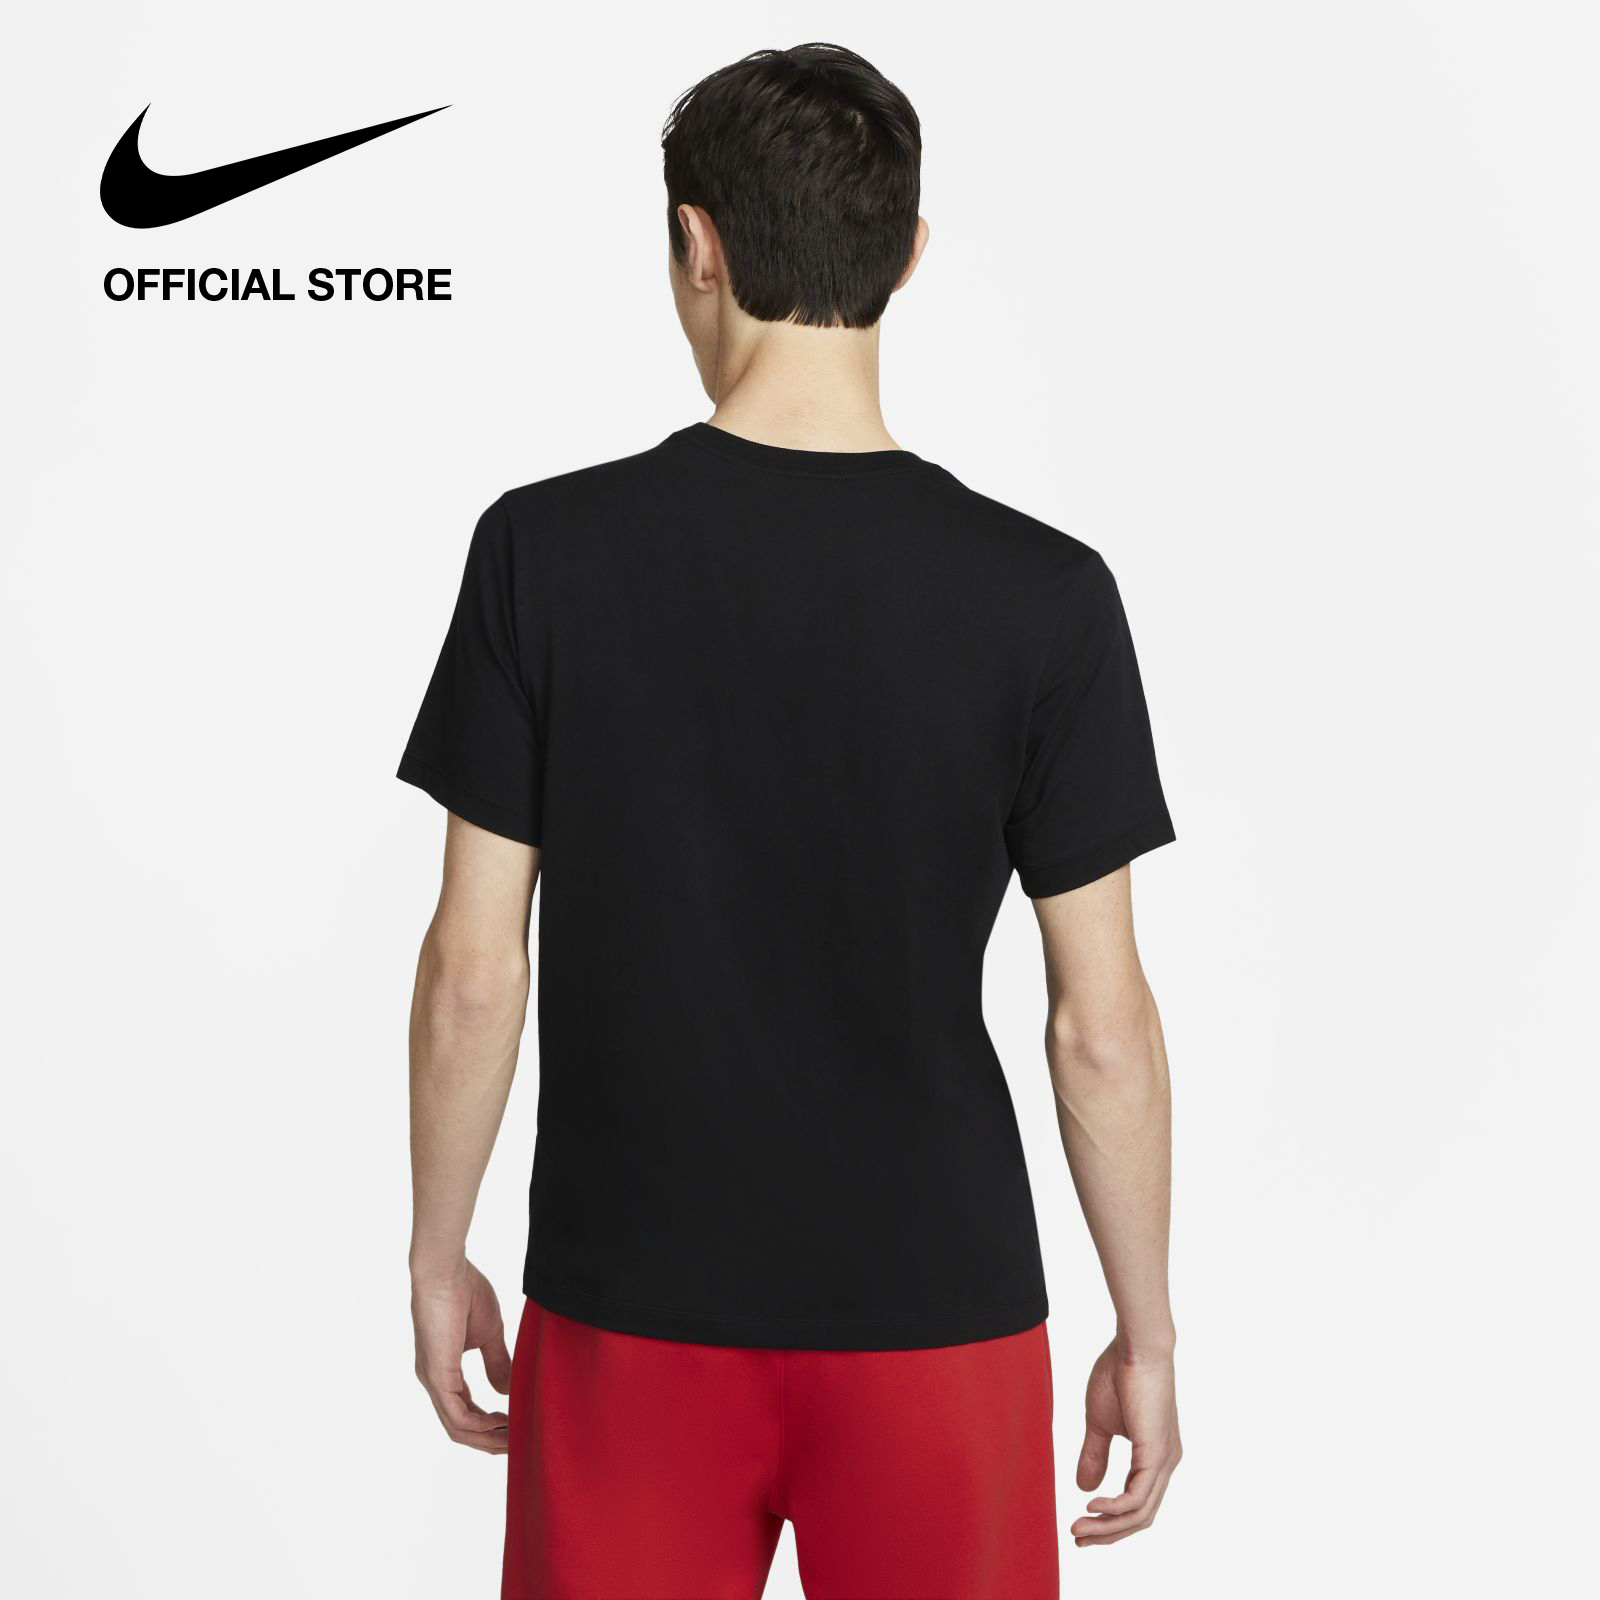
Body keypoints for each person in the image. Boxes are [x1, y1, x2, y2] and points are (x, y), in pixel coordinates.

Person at [399, 42, 1181, 1600]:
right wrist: (1144, 1330)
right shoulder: (1045, 596)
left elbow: (475, 971)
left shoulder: (544, 555)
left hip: (629, 1307)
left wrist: (436, 1253)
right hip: (937, 1313)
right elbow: (1099, 1029)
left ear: (697, 245)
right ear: (907, 253)